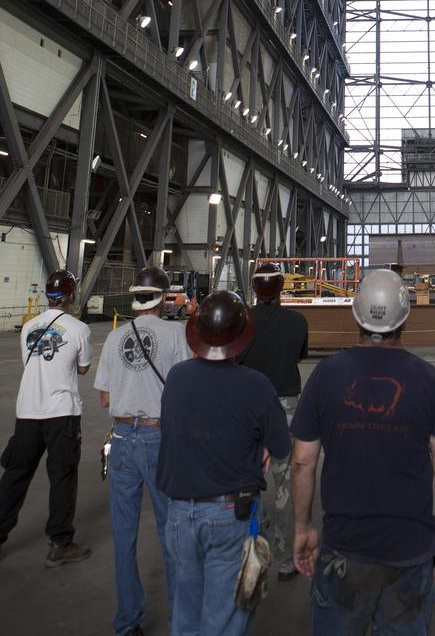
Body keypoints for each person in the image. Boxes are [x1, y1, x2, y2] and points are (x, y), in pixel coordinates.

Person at [290, 267, 435, 634]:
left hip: (343, 549)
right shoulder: (429, 380)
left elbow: (303, 461)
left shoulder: (326, 375)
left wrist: (303, 526)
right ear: (405, 318)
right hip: (409, 550)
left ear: (356, 314)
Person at [156, 289, 290, 636]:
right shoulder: (256, 385)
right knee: (226, 614)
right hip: (228, 513)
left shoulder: (177, 377)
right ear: (241, 335)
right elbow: (280, 444)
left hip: (179, 514)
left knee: (185, 611)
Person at [94, 264, 191, 636]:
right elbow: (186, 388)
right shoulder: (176, 333)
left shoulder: (116, 338)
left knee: (124, 537)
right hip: (158, 437)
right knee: (172, 530)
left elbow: (105, 398)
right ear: (164, 297)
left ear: (135, 298)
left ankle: (127, 622)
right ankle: (177, 618)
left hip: (120, 440)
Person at [0, 268, 92, 566]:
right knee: (62, 476)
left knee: (15, 475)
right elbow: (83, 368)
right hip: (61, 413)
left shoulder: (29, 327)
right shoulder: (79, 329)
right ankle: (60, 543)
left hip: (27, 412)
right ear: (72, 295)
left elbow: (30, 363)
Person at [239, 262, 308, 580]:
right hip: (285, 403)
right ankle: (285, 556)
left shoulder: (242, 321)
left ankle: (248, 542)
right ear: (282, 287)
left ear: (254, 289)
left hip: (248, 404)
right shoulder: (297, 321)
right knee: (285, 480)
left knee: (244, 476)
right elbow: (299, 355)